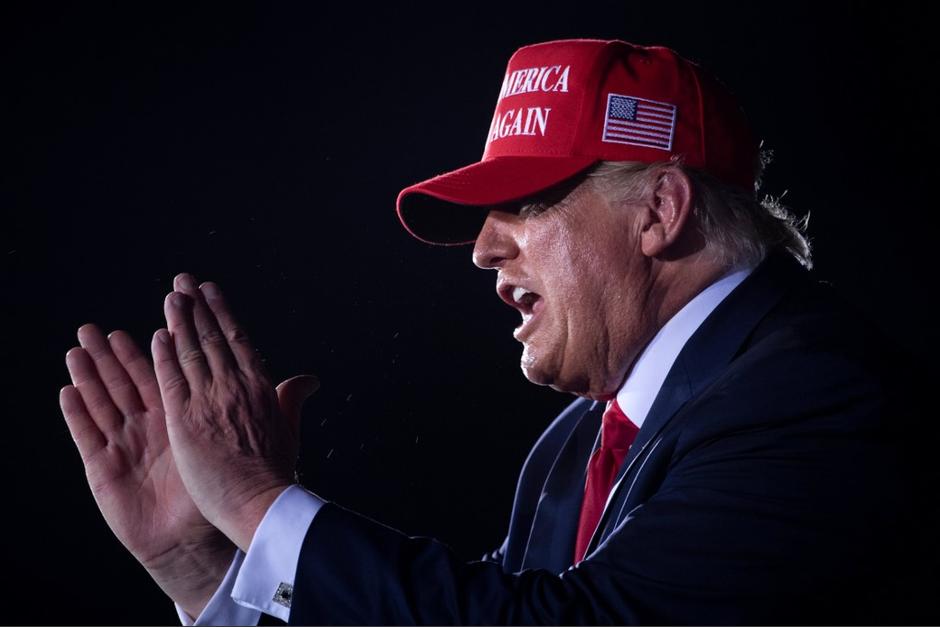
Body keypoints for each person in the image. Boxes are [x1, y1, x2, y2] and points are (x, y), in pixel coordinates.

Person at [59, 39, 936, 624]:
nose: (482, 248)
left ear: (661, 210)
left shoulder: (816, 392)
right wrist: (206, 567)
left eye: (527, 202)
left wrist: (258, 501)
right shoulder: (576, 444)